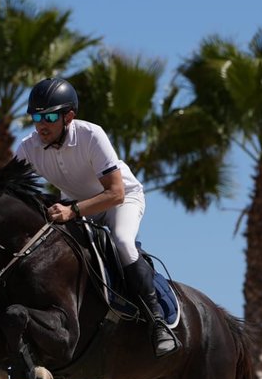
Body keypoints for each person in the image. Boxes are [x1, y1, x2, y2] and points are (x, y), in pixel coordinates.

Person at [14, 77, 176, 357]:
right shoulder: (29, 148)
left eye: (50, 116)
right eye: (36, 116)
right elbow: (9, 188)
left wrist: (72, 210)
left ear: (69, 117)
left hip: (120, 200)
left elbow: (115, 192)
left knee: (123, 242)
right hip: (75, 205)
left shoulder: (91, 135)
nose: (42, 123)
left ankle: (157, 320)